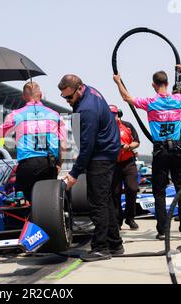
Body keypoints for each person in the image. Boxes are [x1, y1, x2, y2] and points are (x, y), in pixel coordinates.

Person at [114, 65, 181, 240]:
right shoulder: (178, 100)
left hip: (160, 151)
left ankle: (163, 230)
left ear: (154, 85)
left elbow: (127, 97)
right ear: (167, 82)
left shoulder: (151, 102)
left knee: (159, 191)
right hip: (177, 149)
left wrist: (118, 82)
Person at [59, 74, 123, 261]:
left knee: (97, 203)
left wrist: (74, 174)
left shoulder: (87, 110)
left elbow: (87, 146)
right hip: (106, 152)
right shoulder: (90, 90)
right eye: (64, 97)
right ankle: (115, 244)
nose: (68, 101)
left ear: (79, 89)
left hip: (100, 156)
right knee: (105, 200)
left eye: (69, 97)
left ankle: (101, 248)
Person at [0, 81, 66, 200]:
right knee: (48, 204)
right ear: (40, 95)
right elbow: (63, 145)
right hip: (49, 165)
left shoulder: (15, 115)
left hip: (26, 166)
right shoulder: (55, 115)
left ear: (23, 97)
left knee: (22, 204)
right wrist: (59, 164)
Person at [109, 105, 140, 230]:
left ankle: (130, 218)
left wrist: (128, 146)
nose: (112, 117)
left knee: (132, 189)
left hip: (128, 162)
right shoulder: (104, 128)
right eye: (109, 115)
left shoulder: (128, 125)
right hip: (113, 164)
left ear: (119, 114)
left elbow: (137, 141)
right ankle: (117, 220)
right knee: (115, 193)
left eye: (114, 114)